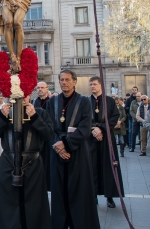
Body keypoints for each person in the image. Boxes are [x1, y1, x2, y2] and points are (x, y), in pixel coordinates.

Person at [44, 70, 99, 229]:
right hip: (56, 150)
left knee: (78, 191)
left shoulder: (84, 102)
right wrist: (58, 146)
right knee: (59, 192)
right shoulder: (52, 102)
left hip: (77, 151)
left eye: (67, 80)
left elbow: (85, 128)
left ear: (74, 82)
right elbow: (48, 127)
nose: (64, 82)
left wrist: (66, 145)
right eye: (61, 80)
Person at [0, 94, 54, 229]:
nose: (21, 98)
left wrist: (35, 117)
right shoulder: (5, 112)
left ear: (30, 96)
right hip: (9, 163)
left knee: (34, 204)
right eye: (17, 96)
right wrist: (1, 117)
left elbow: (49, 135)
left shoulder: (40, 112)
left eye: (24, 95)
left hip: (32, 164)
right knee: (8, 204)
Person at [88, 76, 124, 208]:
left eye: (95, 84)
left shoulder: (109, 101)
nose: (93, 86)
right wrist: (93, 129)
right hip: (91, 138)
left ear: (101, 86)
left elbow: (114, 117)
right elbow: (84, 118)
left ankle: (110, 197)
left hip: (106, 138)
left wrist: (101, 129)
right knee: (92, 167)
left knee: (108, 166)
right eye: (91, 84)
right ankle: (93, 196)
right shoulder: (86, 101)